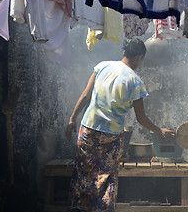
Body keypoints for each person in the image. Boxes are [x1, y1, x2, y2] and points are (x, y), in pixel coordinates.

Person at [64, 38, 175, 212]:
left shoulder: (102, 66)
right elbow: (141, 119)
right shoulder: (135, 82)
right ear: (139, 57)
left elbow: (85, 95)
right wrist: (159, 130)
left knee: (84, 175)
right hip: (111, 136)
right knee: (106, 179)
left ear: (124, 52)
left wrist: (72, 119)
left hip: (88, 130)